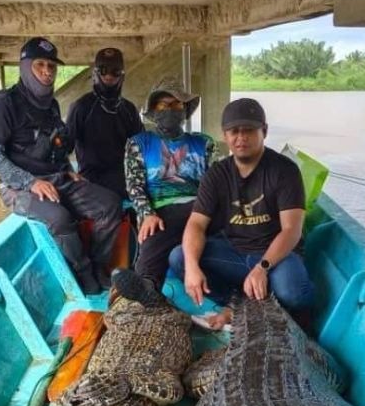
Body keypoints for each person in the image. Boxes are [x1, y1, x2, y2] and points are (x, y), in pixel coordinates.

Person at [0, 37, 122, 294]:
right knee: (59, 218)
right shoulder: (3, 106)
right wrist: (31, 182)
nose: (47, 72)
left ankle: (99, 266)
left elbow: (57, 146)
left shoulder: (52, 106)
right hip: (18, 188)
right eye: (40, 65)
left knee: (109, 205)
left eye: (52, 66)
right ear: (25, 67)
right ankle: (82, 273)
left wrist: (67, 169)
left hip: (57, 179)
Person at [169, 98, 314, 328]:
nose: (240, 137)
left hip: (277, 257)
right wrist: (193, 267)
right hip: (235, 253)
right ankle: (234, 303)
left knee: (293, 293)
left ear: (264, 131)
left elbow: (291, 230)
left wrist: (262, 268)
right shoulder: (217, 174)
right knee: (181, 258)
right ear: (225, 135)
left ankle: (259, 304)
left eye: (248, 130)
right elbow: (196, 224)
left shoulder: (284, 170)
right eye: (233, 131)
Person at [125, 77, 214, 290]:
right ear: (153, 111)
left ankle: (145, 284)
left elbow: (217, 184)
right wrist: (146, 213)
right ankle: (147, 287)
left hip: (200, 209)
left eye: (176, 104)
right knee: (154, 231)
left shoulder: (204, 143)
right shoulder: (138, 143)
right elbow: (134, 185)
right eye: (163, 105)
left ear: (184, 110)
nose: (170, 109)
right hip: (159, 212)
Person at [66, 47, 143, 199]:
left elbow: (142, 148)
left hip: (126, 176)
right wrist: (69, 173)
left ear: (122, 75)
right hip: (92, 179)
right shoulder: (80, 107)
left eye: (115, 71)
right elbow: (64, 149)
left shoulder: (129, 109)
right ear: (95, 72)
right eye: (103, 70)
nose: (109, 75)